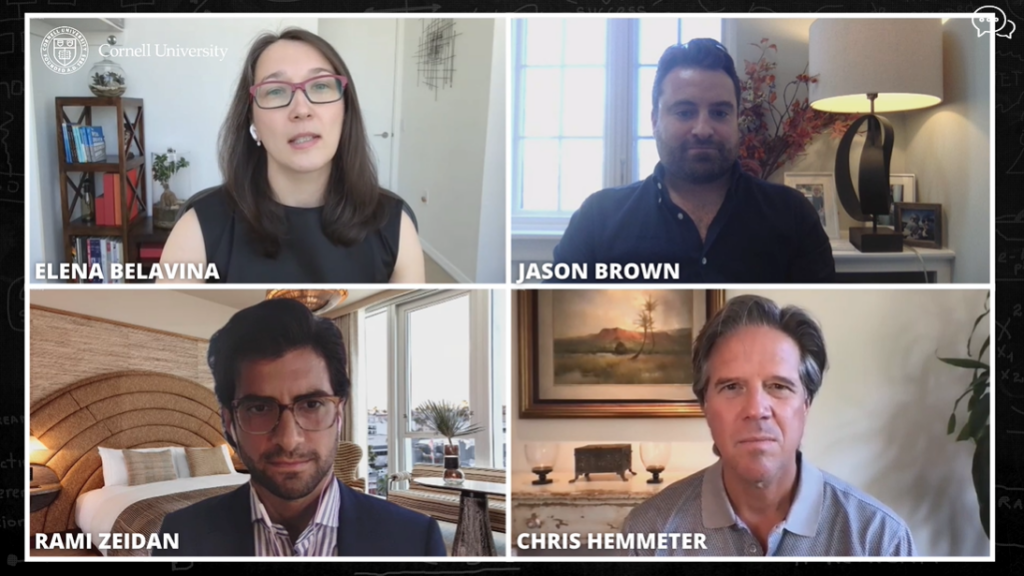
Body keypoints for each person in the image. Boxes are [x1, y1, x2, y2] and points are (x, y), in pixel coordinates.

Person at [621, 295, 915, 556]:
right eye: (732, 387)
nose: (756, 410)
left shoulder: (880, 540)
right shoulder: (647, 536)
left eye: (778, 386)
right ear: (705, 406)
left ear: (806, 404)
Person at [154, 299, 445, 556]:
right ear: (229, 422)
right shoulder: (180, 536)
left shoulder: (415, 539)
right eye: (259, 408)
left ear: (339, 413)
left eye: (312, 404)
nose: (289, 440)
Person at [549, 40, 835, 283]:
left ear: (737, 120)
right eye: (685, 112)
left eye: (720, 113)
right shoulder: (598, 218)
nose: (702, 129)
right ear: (654, 120)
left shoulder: (793, 215)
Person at [159, 28, 425, 283]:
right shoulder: (196, 229)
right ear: (251, 119)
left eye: (320, 86)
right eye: (276, 91)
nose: (301, 109)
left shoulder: (396, 226)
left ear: (346, 110)